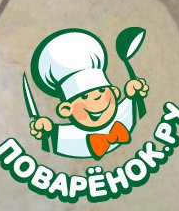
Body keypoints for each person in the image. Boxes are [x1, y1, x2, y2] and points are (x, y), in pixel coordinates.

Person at [29, 28, 149, 159]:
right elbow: (50, 143)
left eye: (102, 90)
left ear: (115, 92)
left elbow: (138, 111)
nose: (97, 98)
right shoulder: (68, 138)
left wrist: (135, 94)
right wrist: (46, 131)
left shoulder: (124, 114)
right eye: (84, 96)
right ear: (66, 110)